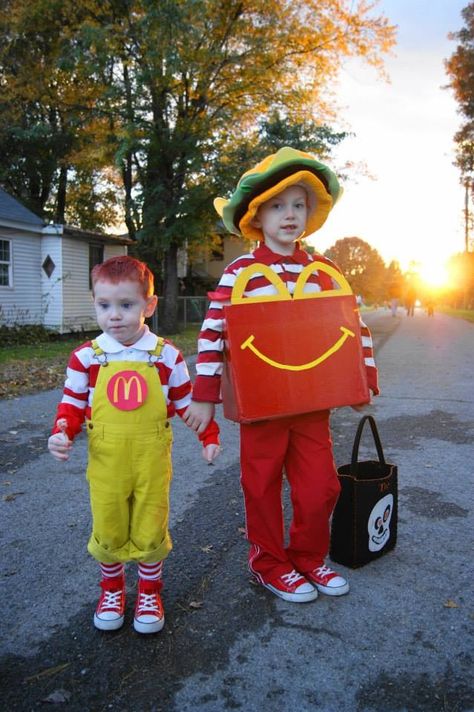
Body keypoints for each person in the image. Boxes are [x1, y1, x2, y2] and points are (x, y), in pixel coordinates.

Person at [184, 147, 379, 603]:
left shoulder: (325, 271)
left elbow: (353, 326)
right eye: (277, 205)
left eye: (298, 205)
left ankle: (309, 558)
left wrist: (363, 377)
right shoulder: (240, 273)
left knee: (321, 486)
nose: (289, 215)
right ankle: (269, 564)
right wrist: (204, 394)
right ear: (257, 216)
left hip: (312, 404)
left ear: (310, 214)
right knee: (262, 485)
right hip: (262, 407)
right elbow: (214, 332)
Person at [48, 256, 220, 633]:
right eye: (104, 305)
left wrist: (208, 436)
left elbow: (187, 404)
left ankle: (148, 592)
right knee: (108, 523)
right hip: (106, 458)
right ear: (94, 303)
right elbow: (73, 404)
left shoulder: (166, 356)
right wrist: (62, 431)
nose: (114, 316)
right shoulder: (86, 357)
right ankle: (112, 589)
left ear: (149, 305)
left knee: (148, 523)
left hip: (151, 458)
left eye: (126, 305)